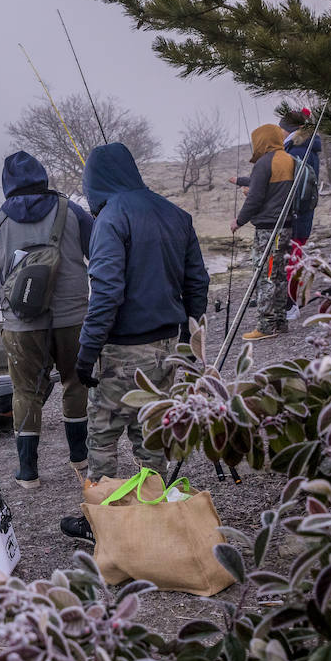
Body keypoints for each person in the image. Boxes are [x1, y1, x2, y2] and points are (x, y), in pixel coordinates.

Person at [62, 143, 208, 542]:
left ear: (95, 182)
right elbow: (198, 282)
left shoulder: (111, 219)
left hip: (123, 350)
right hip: (168, 345)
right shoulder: (176, 214)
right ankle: (154, 513)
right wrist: (190, 336)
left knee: (104, 432)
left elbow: (106, 293)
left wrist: (87, 352)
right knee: (151, 430)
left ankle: (103, 525)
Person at [0, 150, 95, 490]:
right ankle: (80, 457)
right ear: (43, 176)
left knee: (25, 391)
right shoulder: (72, 212)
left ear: (7, 184)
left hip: (22, 324)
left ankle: (28, 473)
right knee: (75, 381)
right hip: (74, 319)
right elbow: (100, 253)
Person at [229, 124, 297, 339]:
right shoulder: (288, 159)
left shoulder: (264, 162)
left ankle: (266, 326)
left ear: (263, 140)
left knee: (266, 275)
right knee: (277, 275)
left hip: (269, 232)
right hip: (285, 227)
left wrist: (238, 221)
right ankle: (280, 321)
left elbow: (256, 198)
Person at [281, 110, 324, 298]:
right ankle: (289, 300)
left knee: (290, 260)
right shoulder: (304, 147)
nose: (279, 132)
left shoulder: (297, 149)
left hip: (295, 215)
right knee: (293, 257)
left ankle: (289, 302)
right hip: (302, 215)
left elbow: (290, 185)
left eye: (282, 128)